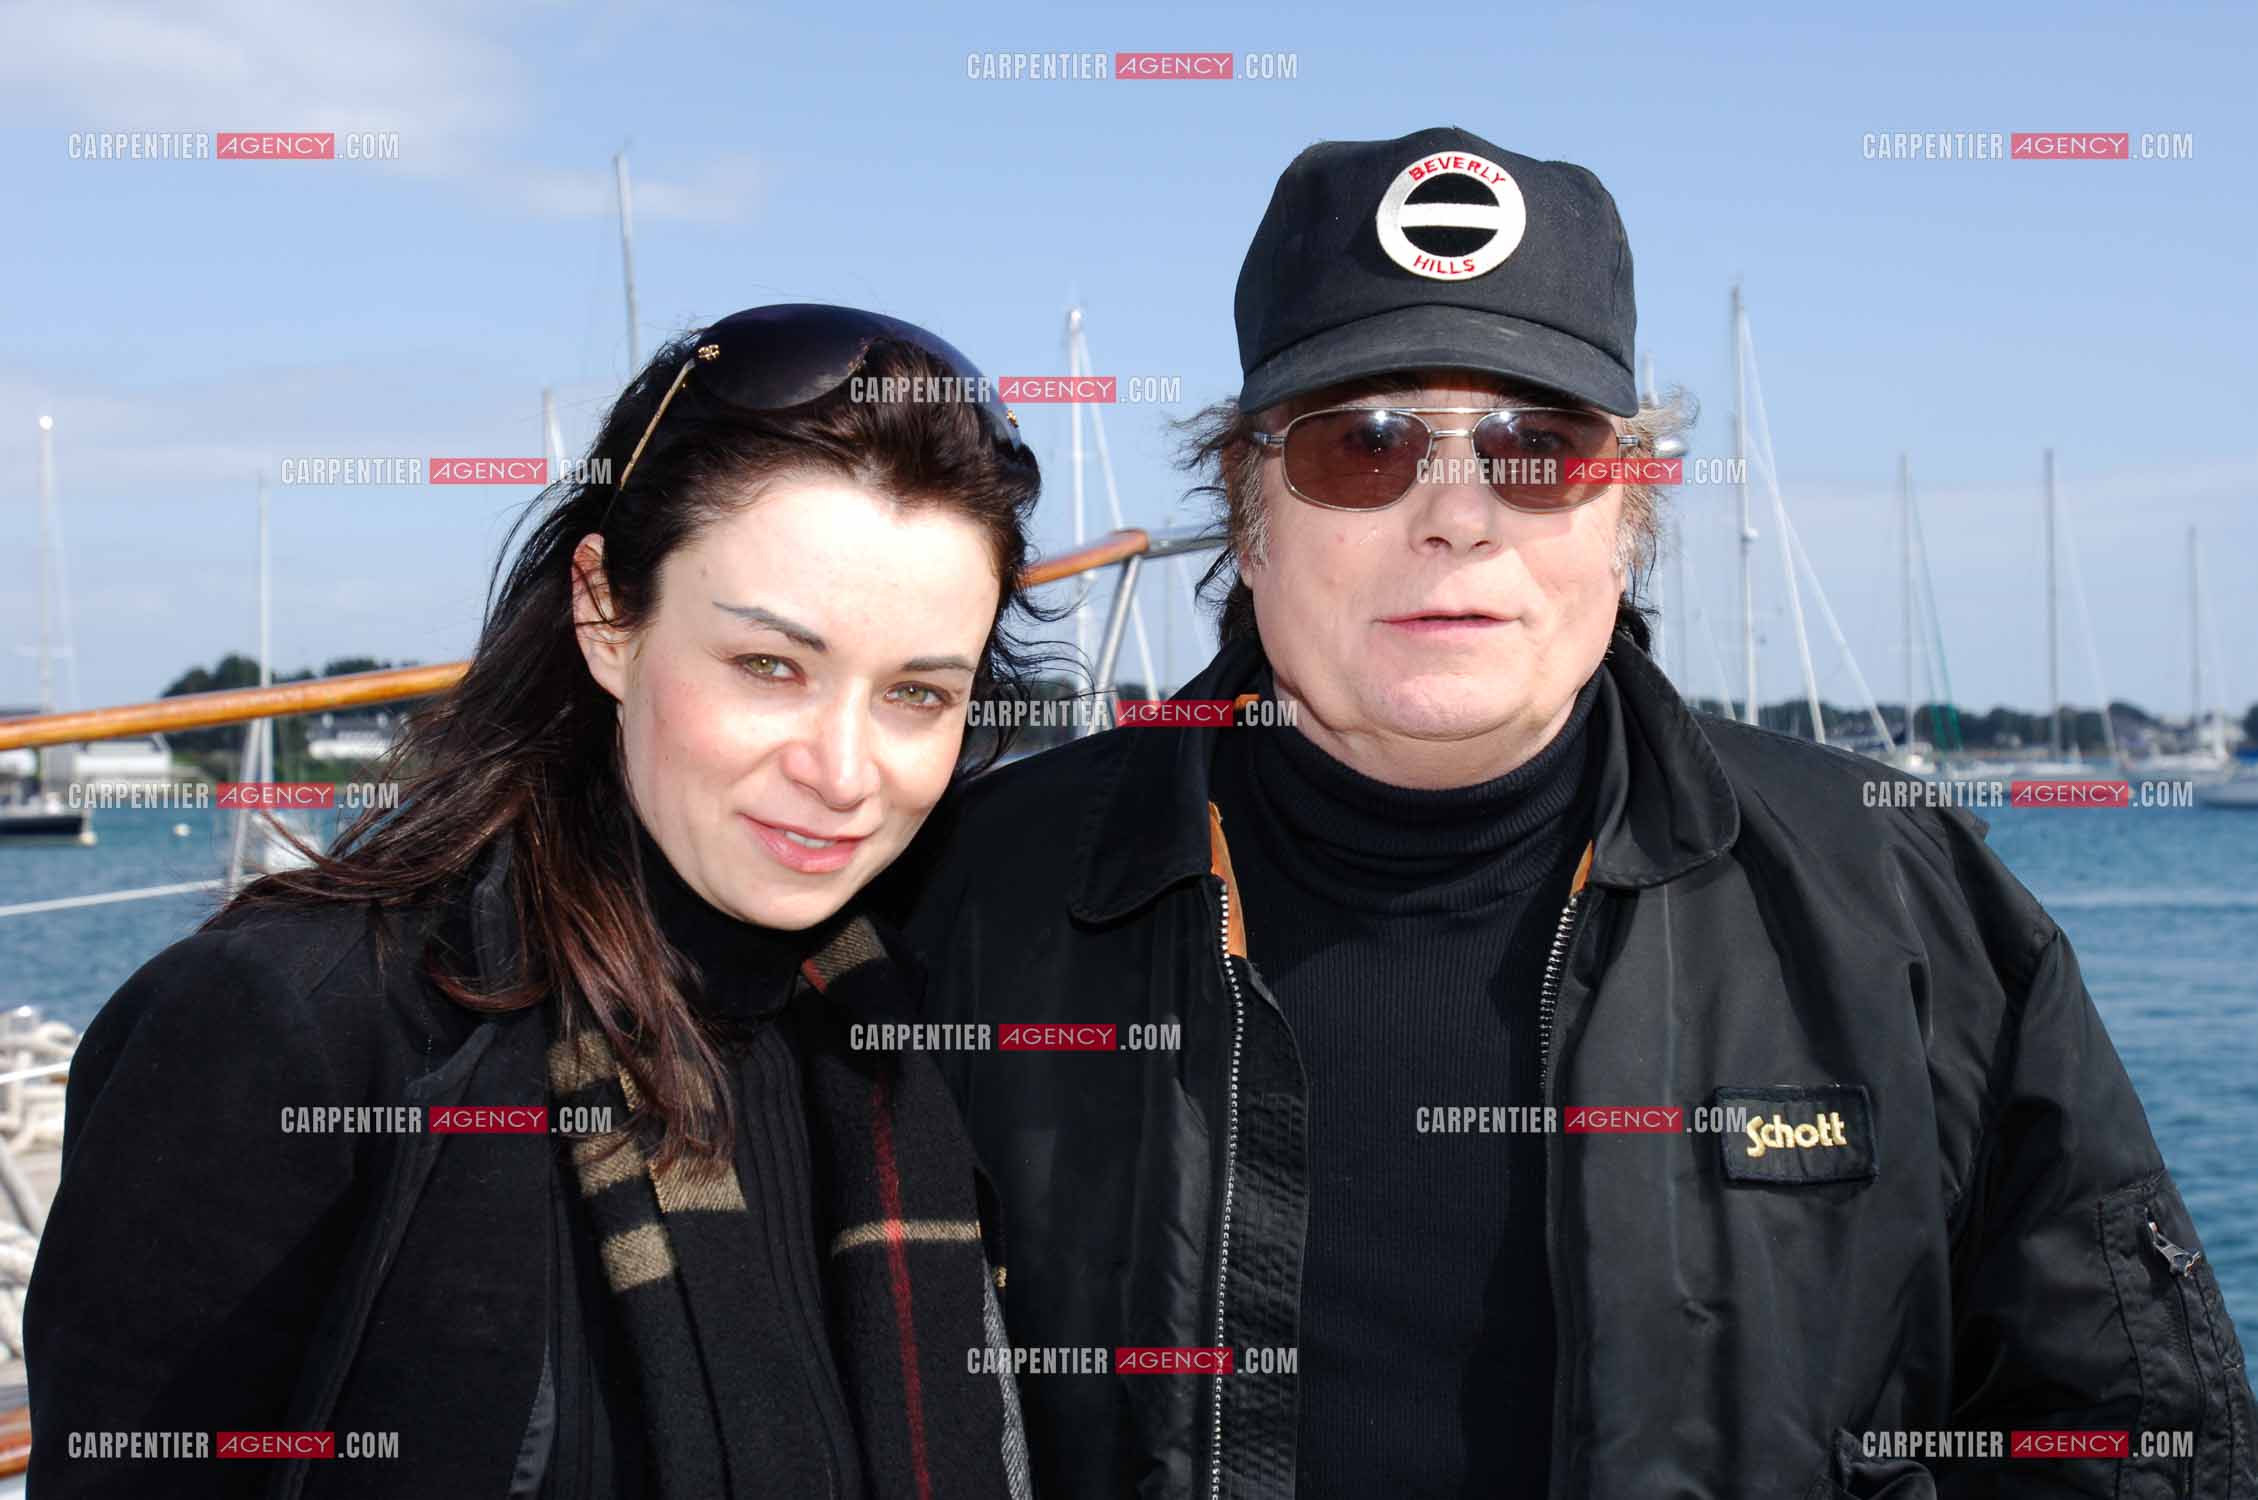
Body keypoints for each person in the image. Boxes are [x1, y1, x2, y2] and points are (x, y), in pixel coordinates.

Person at [891, 128, 2258, 1497]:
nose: (1455, 515)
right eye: (1364, 447)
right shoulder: (977, 904)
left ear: (1626, 516)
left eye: (1535, 450)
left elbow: (2122, 1441)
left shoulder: (1899, 902)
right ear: (1248, 515)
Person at [27, 304, 1043, 1500]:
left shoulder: (898, 1030)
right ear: (606, 615)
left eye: (917, 695)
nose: (842, 769)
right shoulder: (303, 1034)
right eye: (769, 666)